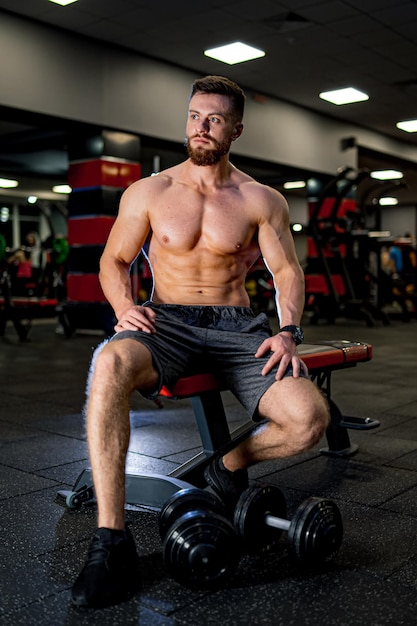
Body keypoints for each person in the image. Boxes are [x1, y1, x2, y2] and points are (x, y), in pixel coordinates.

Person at [71, 75, 330, 608]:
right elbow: (113, 260)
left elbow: (286, 272)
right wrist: (124, 308)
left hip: (239, 328)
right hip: (167, 321)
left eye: (214, 119)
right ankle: (110, 540)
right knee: (109, 363)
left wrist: (287, 331)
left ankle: (225, 467)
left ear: (236, 128)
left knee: (309, 419)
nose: (201, 127)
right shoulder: (150, 191)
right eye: (194, 116)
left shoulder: (262, 198)